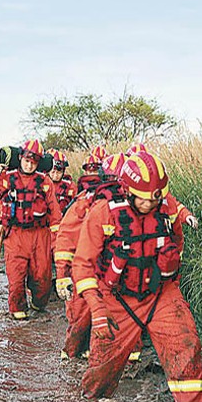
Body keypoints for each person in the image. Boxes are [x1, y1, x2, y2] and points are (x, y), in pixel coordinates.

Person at [70, 151, 202, 402]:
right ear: (127, 191)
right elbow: (82, 265)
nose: (150, 206)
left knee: (187, 352)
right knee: (100, 378)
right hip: (117, 300)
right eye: (144, 200)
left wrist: (173, 291)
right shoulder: (104, 212)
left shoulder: (166, 208)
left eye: (156, 199)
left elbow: (176, 244)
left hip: (160, 294)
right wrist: (97, 309)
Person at [55, 152, 131, 360]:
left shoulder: (136, 206)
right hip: (86, 269)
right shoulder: (87, 202)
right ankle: (72, 358)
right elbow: (66, 237)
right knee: (80, 319)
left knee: (116, 322)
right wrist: (62, 274)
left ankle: (116, 358)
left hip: (113, 275)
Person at [0, 139, 62, 320]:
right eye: (27, 160)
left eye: (33, 162)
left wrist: (57, 242)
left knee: (42, 281)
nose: (29, 165)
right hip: (15, 236)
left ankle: (38, 305)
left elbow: (54, 214)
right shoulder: (7, 179)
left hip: (40, 236)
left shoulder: (45, 182)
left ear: (38, 163)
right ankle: (18, 318)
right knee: (15, 280)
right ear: (20, 157)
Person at [46, 148, 77, 215]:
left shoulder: (70, 186)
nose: (55, 175)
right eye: (53, 172)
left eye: (59, 172)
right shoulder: (42, 183)